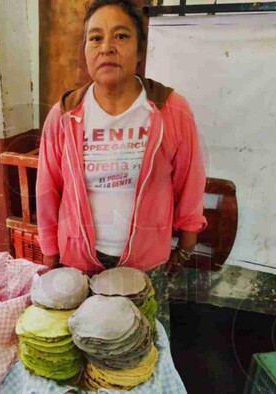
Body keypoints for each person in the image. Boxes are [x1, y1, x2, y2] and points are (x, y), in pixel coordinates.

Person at [36, 0, 206, 335]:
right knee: (90, 349)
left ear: (140, 50)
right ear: (85, 50)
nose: (107, 48)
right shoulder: (65, 114)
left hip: (147, 263)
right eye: (95, 38)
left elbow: (190, 180)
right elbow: (48, 189)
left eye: (121, 36)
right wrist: (50, 254)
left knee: (146, 349)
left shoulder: (170, 109)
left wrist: (185, 247)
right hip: (80, 262)